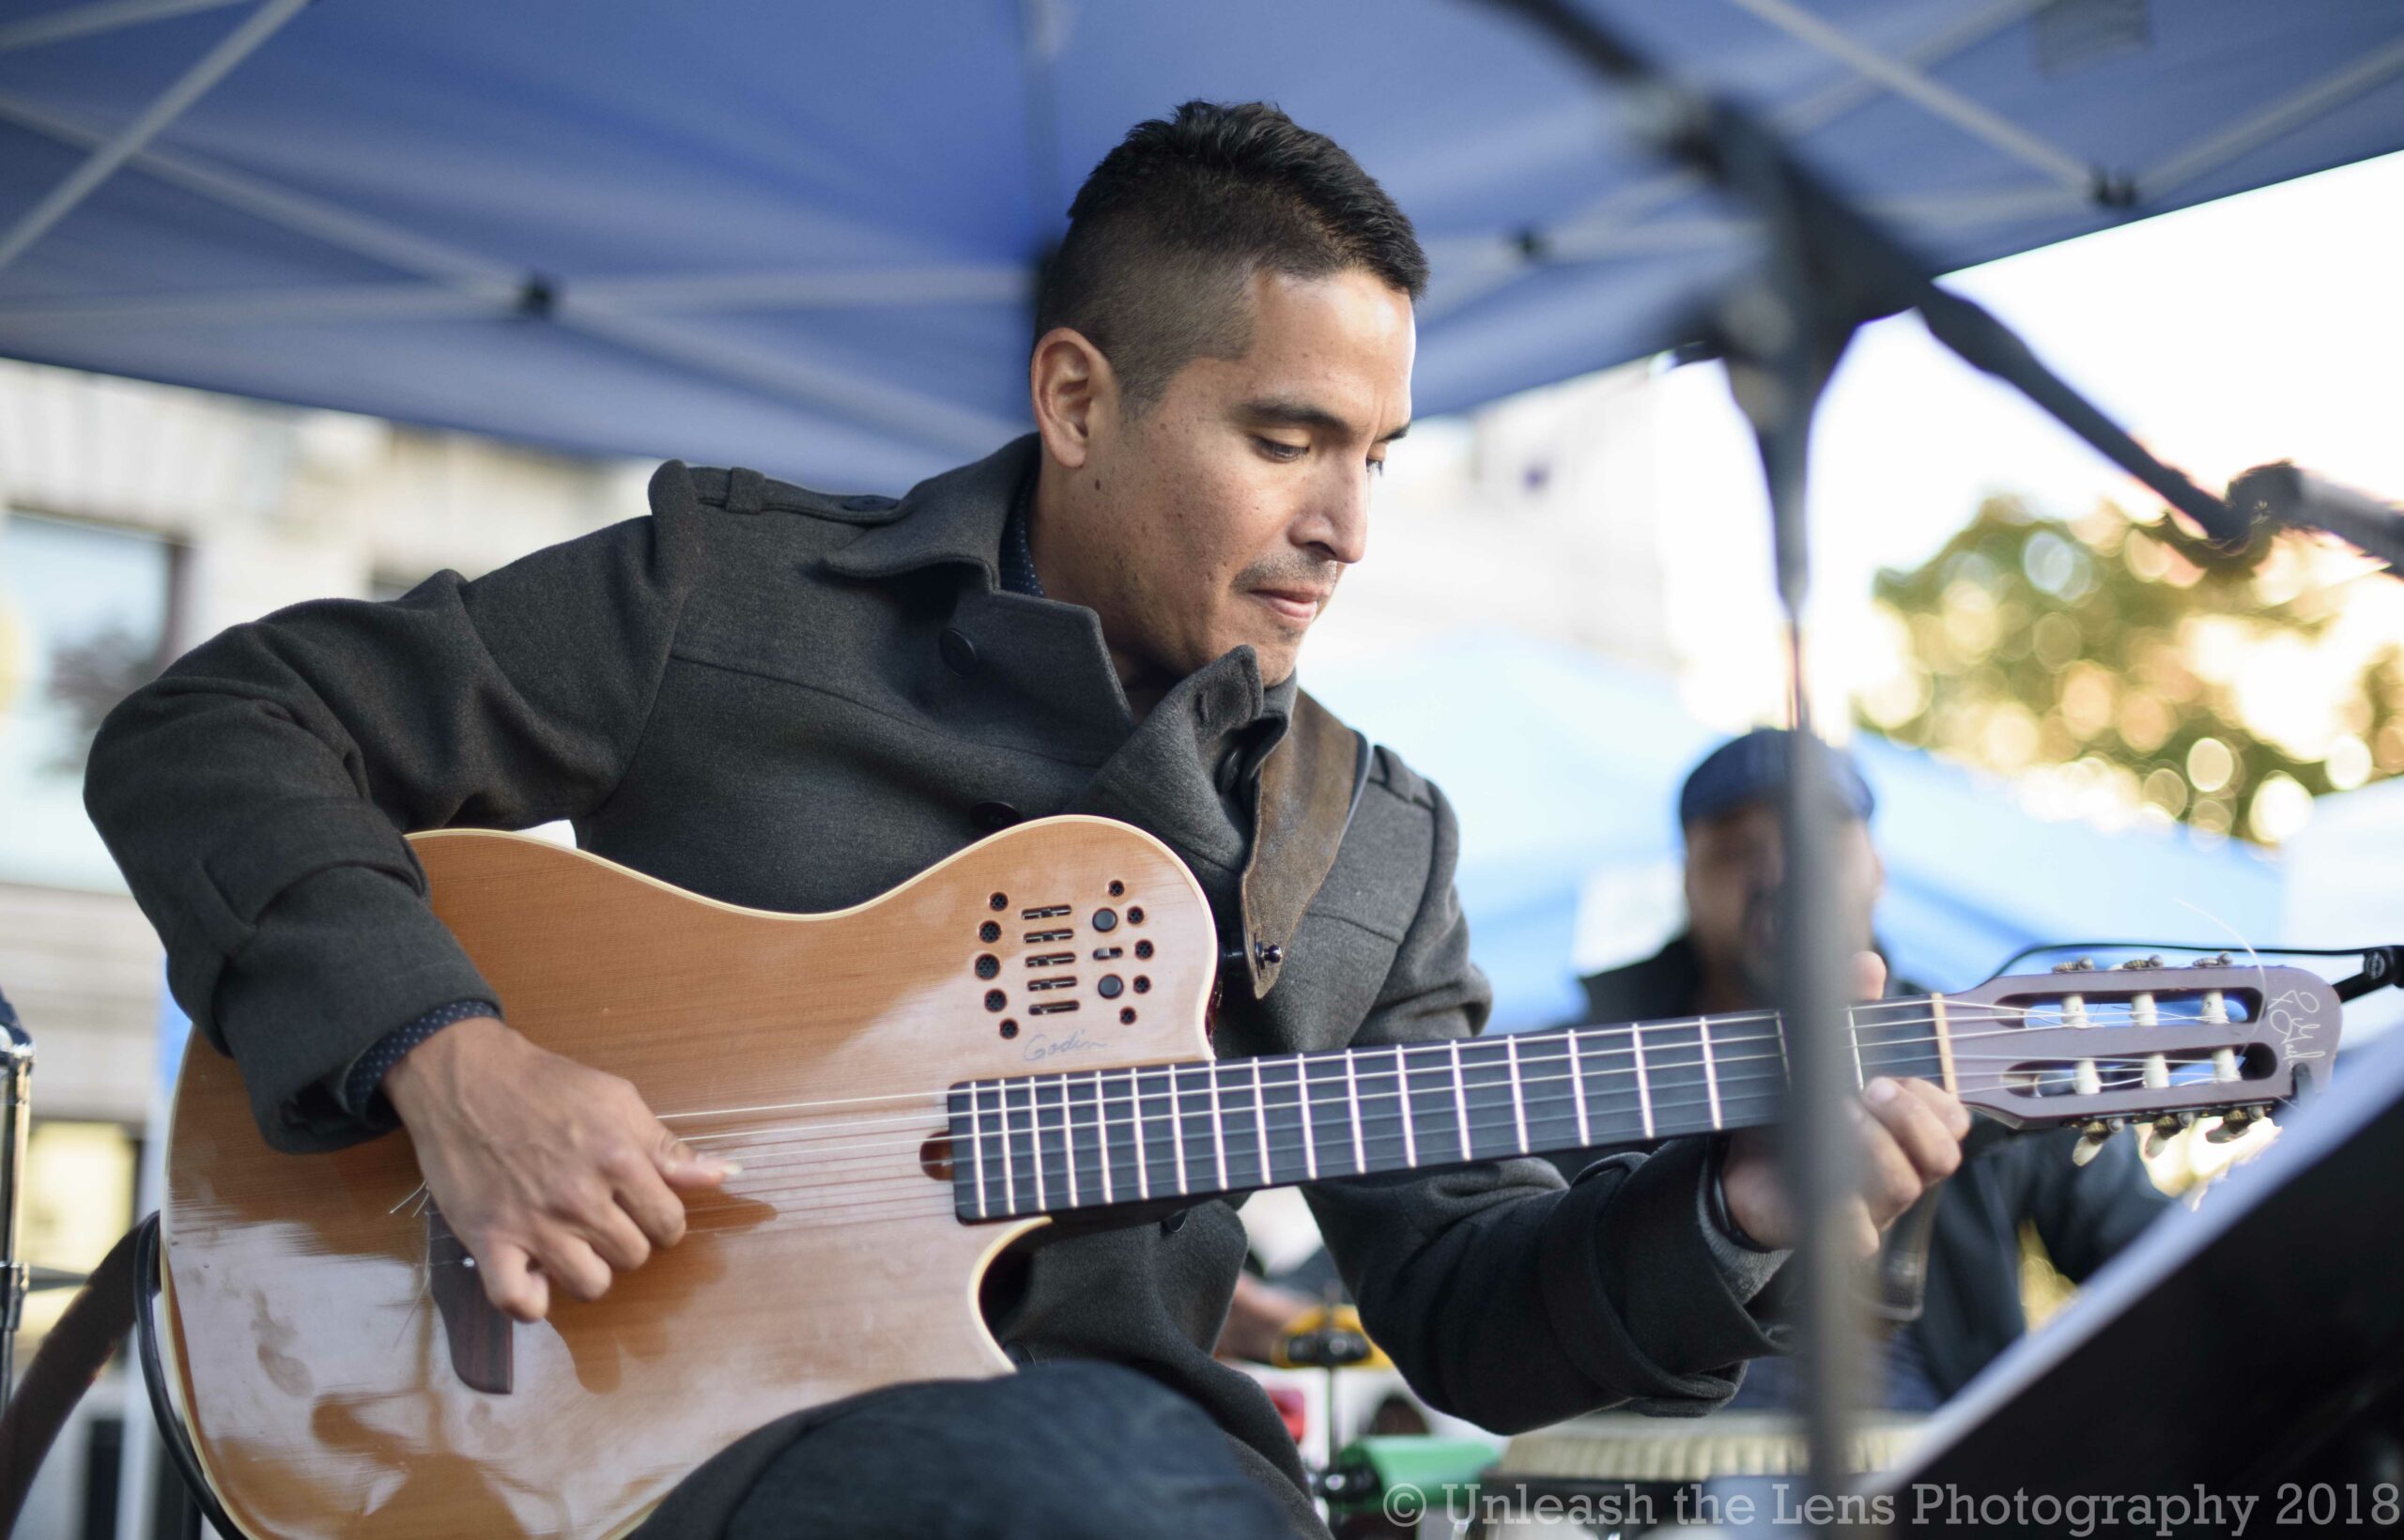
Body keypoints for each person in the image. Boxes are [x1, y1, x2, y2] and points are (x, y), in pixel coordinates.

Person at [84, 104, 1970, 1539]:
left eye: (1378, 456)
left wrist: (1734, 1203)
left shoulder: (1368, 842)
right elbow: (215, 728)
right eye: (1286, 436)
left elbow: (1468, 1310)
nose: (1348, 528)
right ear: (1078, 397)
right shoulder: (726, 610)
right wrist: (449, 1052)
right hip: (672, 1465)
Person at [1564, 728, 2174, 1409]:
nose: (1780, 875)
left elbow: (2153, 1262)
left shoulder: (1981, 1042)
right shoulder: (1579, 1062)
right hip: (1652, 1489)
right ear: (1686, 882)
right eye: (1738, 851)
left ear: (1876, 869)